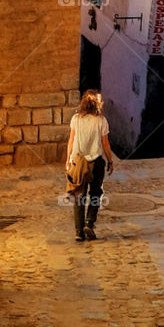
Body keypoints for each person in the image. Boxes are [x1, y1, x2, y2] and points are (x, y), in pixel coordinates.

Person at [67, 89, 115, 242]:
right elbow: (105, 144)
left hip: (78, 161)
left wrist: (68, 159)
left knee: (79, 194)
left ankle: (78, 231)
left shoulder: (76, 119)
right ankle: (89, 223)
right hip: (96, 162)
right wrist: (110, 161)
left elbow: (71, 140)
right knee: (96, 193)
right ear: (97, 104)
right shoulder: (101, 120)